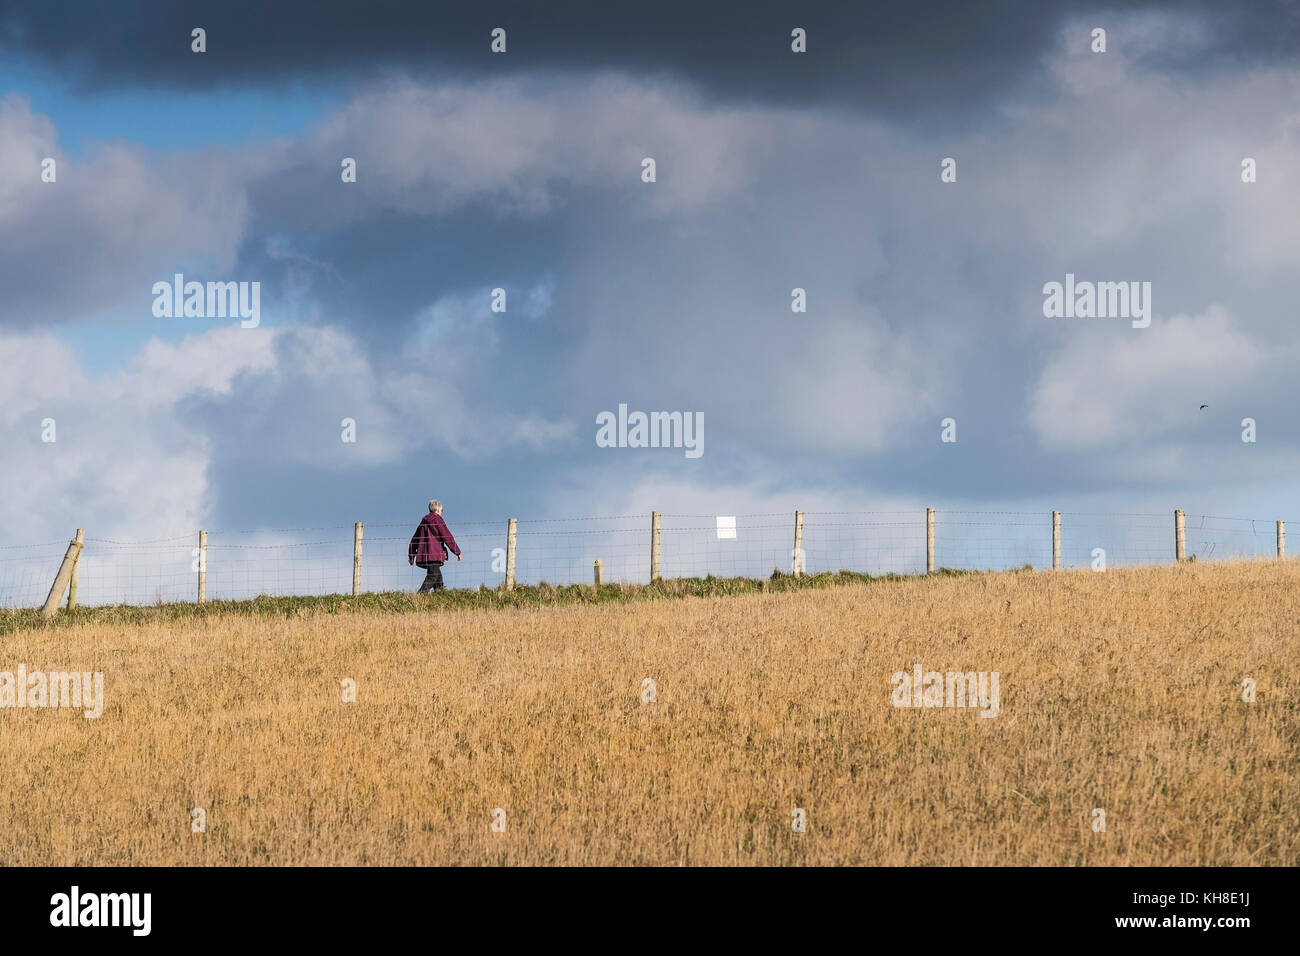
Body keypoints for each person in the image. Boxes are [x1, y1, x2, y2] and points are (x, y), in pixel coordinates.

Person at [408, 499, 461, 593]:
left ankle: (440, 595)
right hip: (434, 554)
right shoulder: (438, 520)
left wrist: (411, 556)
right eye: (442, 510)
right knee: (433, 576)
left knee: (438, 577)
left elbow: (414, 539)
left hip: (424, 555)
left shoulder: (423, 522)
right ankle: (420, 595)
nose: (442, 512)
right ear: (437, 510)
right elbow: (447, 536)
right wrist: (457, 552)